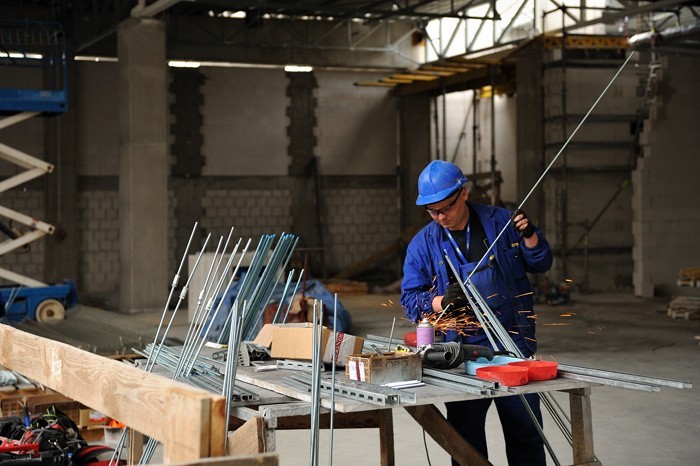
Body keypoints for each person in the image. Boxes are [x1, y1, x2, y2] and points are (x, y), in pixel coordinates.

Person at [400, 160, 553, 466]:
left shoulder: (502, 223)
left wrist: (530, 236)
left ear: (464, 194)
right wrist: (441, 302)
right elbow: (410, 299)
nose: (441, 217)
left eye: (446, 208)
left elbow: (541, 263)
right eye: (433, 211)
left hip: (514, 345)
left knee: (526, 433)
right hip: (461, 353)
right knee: (466, 442)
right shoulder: (423, 245)